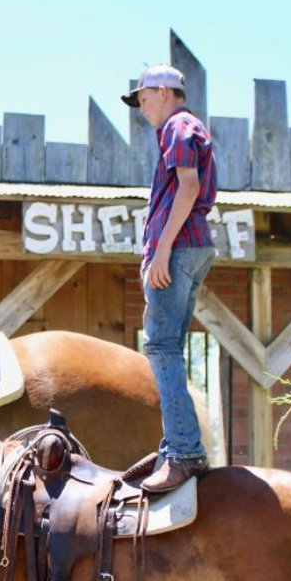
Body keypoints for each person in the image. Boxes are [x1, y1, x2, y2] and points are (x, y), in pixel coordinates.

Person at [121, 65, 218, 493]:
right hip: (194, 246)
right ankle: (176, 446)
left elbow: (189, 185)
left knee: (160, 345)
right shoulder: (184, 127)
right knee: (170, 348)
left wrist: (161, 248)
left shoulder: (178, 126)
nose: (141, 108)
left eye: (143, 98)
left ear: (164, 91)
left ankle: (182, 451)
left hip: (178, 248)